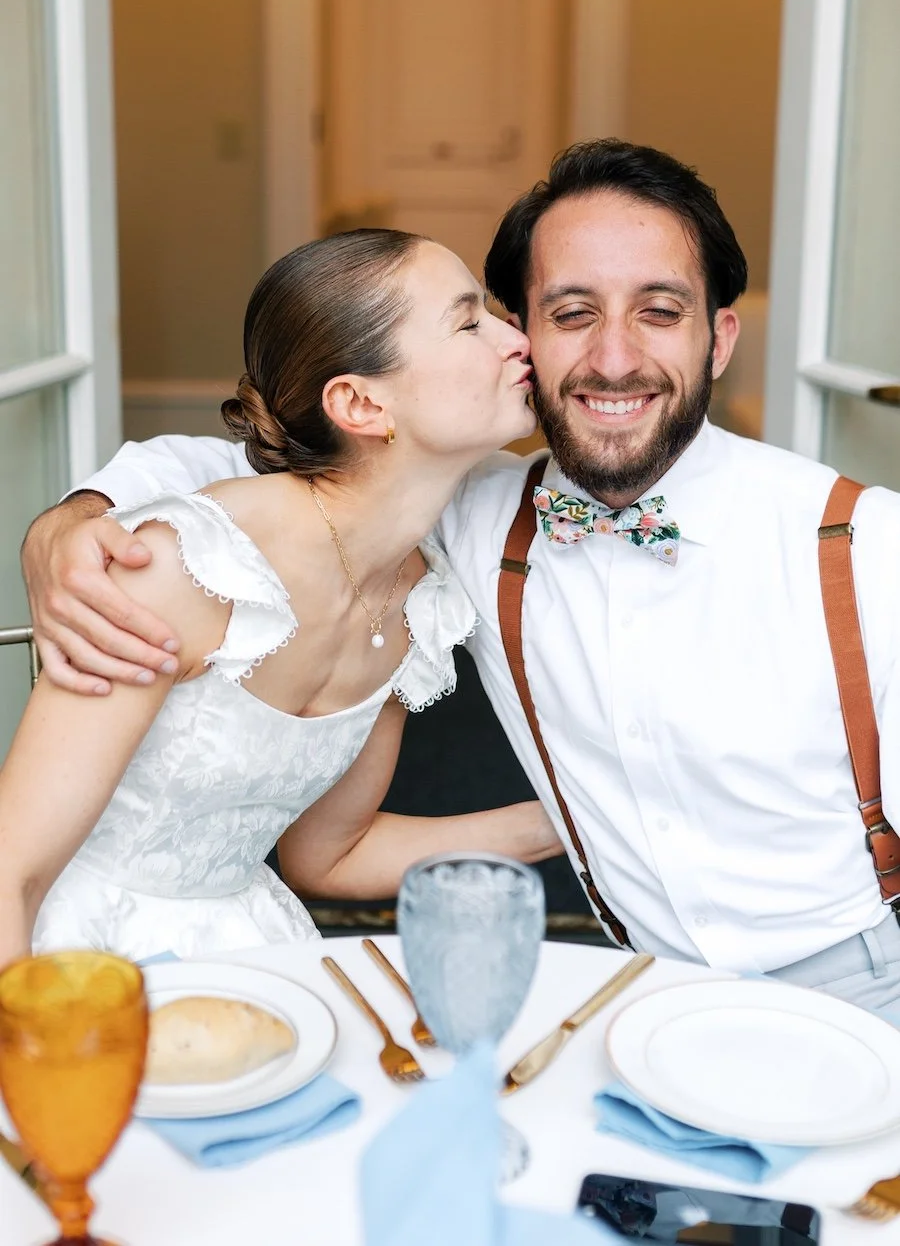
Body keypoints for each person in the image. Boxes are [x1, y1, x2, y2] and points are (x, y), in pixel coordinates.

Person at [23, 140, 900, 1009]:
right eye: (567, 314)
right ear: (527, 336)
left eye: (661, 312)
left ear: (719, 340)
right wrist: (73, 519)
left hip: (864, 980)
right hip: (632, 987)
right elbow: (244, 465)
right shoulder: (464, 515)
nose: (614, 359)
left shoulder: (861, 545)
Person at [0, 228, 562, 970]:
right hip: (71, 957)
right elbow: (13, 872)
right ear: (360, 404)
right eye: (468, 322)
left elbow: (331, 856)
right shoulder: (181, 568)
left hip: (249, 948)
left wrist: (572, 818)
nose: (514, 336)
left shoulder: (413, 603)